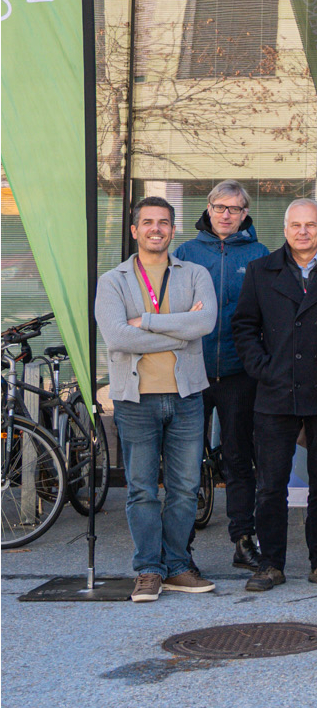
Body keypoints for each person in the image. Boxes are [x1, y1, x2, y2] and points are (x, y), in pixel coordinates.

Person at [97, 197, 219, 603]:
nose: (155, 229)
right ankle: (149, 569)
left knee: (185, 488)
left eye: (163, 222)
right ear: (134, 231)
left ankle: (178, 565)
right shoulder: (112, 280)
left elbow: (205, 322)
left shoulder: (195, 273)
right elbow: (117, 336)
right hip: (135, 400)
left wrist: (147, 322)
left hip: (186, 397)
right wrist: (179, 331)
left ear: (172, 229)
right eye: (147, 222)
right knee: (142, 489)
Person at [231, 198, 317, 591]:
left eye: (311, 225)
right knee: (270, 483)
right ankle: (270, 563)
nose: (303, 232)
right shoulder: (260, 270)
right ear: (285, 229)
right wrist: (264, 369)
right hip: (275, 392)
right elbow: (245, 327)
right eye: (295, 225)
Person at [174, 180, 269, 573]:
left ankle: (243, 541)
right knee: (184, 461)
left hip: (238, 371)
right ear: (208, 209)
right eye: (220, 207)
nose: (226, 214)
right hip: (191, 371)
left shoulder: (261, 255)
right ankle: (181, 547)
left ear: (245, 214)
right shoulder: (185, 253)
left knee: (239, 459)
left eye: (235, 208)